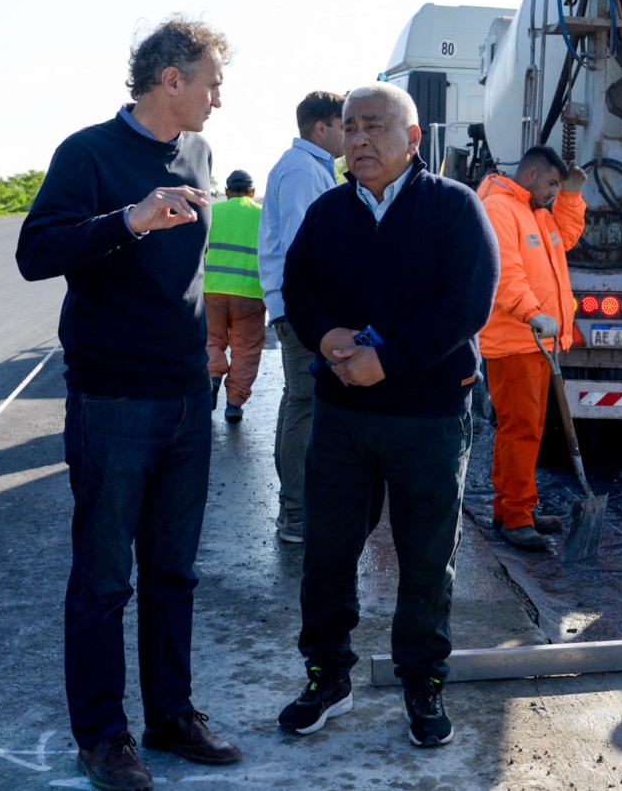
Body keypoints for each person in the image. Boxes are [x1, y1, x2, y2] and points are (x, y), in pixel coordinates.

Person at [15, 17, 242, 791]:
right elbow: (36, 253)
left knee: (174, 572)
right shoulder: (88, 153)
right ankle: (103, 737)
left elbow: (187, 274)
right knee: (105, 578)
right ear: (170, 79)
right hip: (112, 398)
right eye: (211, 82)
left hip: (185, 394)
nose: (219, 96)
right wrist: (130, 219)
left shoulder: (200, 153)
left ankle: (170, 716)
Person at [276, 82, 497, 748]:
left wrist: (390, 360)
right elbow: (298, 288)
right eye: (350, 128)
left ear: (413, 138)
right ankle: (327, 677)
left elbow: (468, 303)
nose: (360, 140)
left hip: (427, 417)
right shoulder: (328, 212)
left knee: (426, 559)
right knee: (327, 553)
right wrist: (326, 336)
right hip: (342, 416)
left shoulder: (453, 207)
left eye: (375, 126)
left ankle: (422, 682)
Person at [476, 146, 587, 551]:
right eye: (553, 184)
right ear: (532, 174)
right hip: (515, 342)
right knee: (520, 431)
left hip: (534, 343)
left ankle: (515, 507)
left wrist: (571, 195)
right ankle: (516, 517)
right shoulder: (500, 209)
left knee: (526, 431)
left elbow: (565, 239)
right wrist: (532, 312)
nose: (553, 193)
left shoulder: (534, 212)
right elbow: (504, 272)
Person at [258, 90, 346, 544]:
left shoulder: (311, 168)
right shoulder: (301, 170)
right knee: (305, 403)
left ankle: (294, 507)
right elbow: (302, 243)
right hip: (300, 308)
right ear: (320, 128)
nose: (352, 135)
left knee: (297, 400)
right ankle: (294, 513)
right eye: (345, 126)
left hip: (296, 305)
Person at [204, 169, 264, 424]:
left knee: (211, 340)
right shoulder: (263, 215)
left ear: (227, 192)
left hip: (212, 289)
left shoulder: (212, 213)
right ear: (252, 192)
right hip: (250, 293)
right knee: (246, 349)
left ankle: (212, 377)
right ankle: (234, 404)